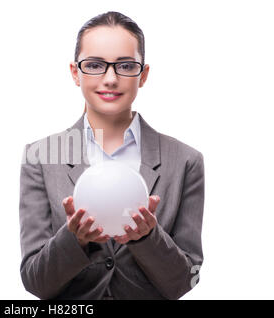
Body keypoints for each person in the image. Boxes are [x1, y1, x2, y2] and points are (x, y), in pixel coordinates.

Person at [19, 11, 205, 300]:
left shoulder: (185, 161)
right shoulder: (40, 157)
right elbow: (35, 281)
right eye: (94, 65)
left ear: (143, 75)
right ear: (74, 72)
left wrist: (147, 238)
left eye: (125, 66)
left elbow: (185, 282)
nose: (110, 78)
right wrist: (75, 240)